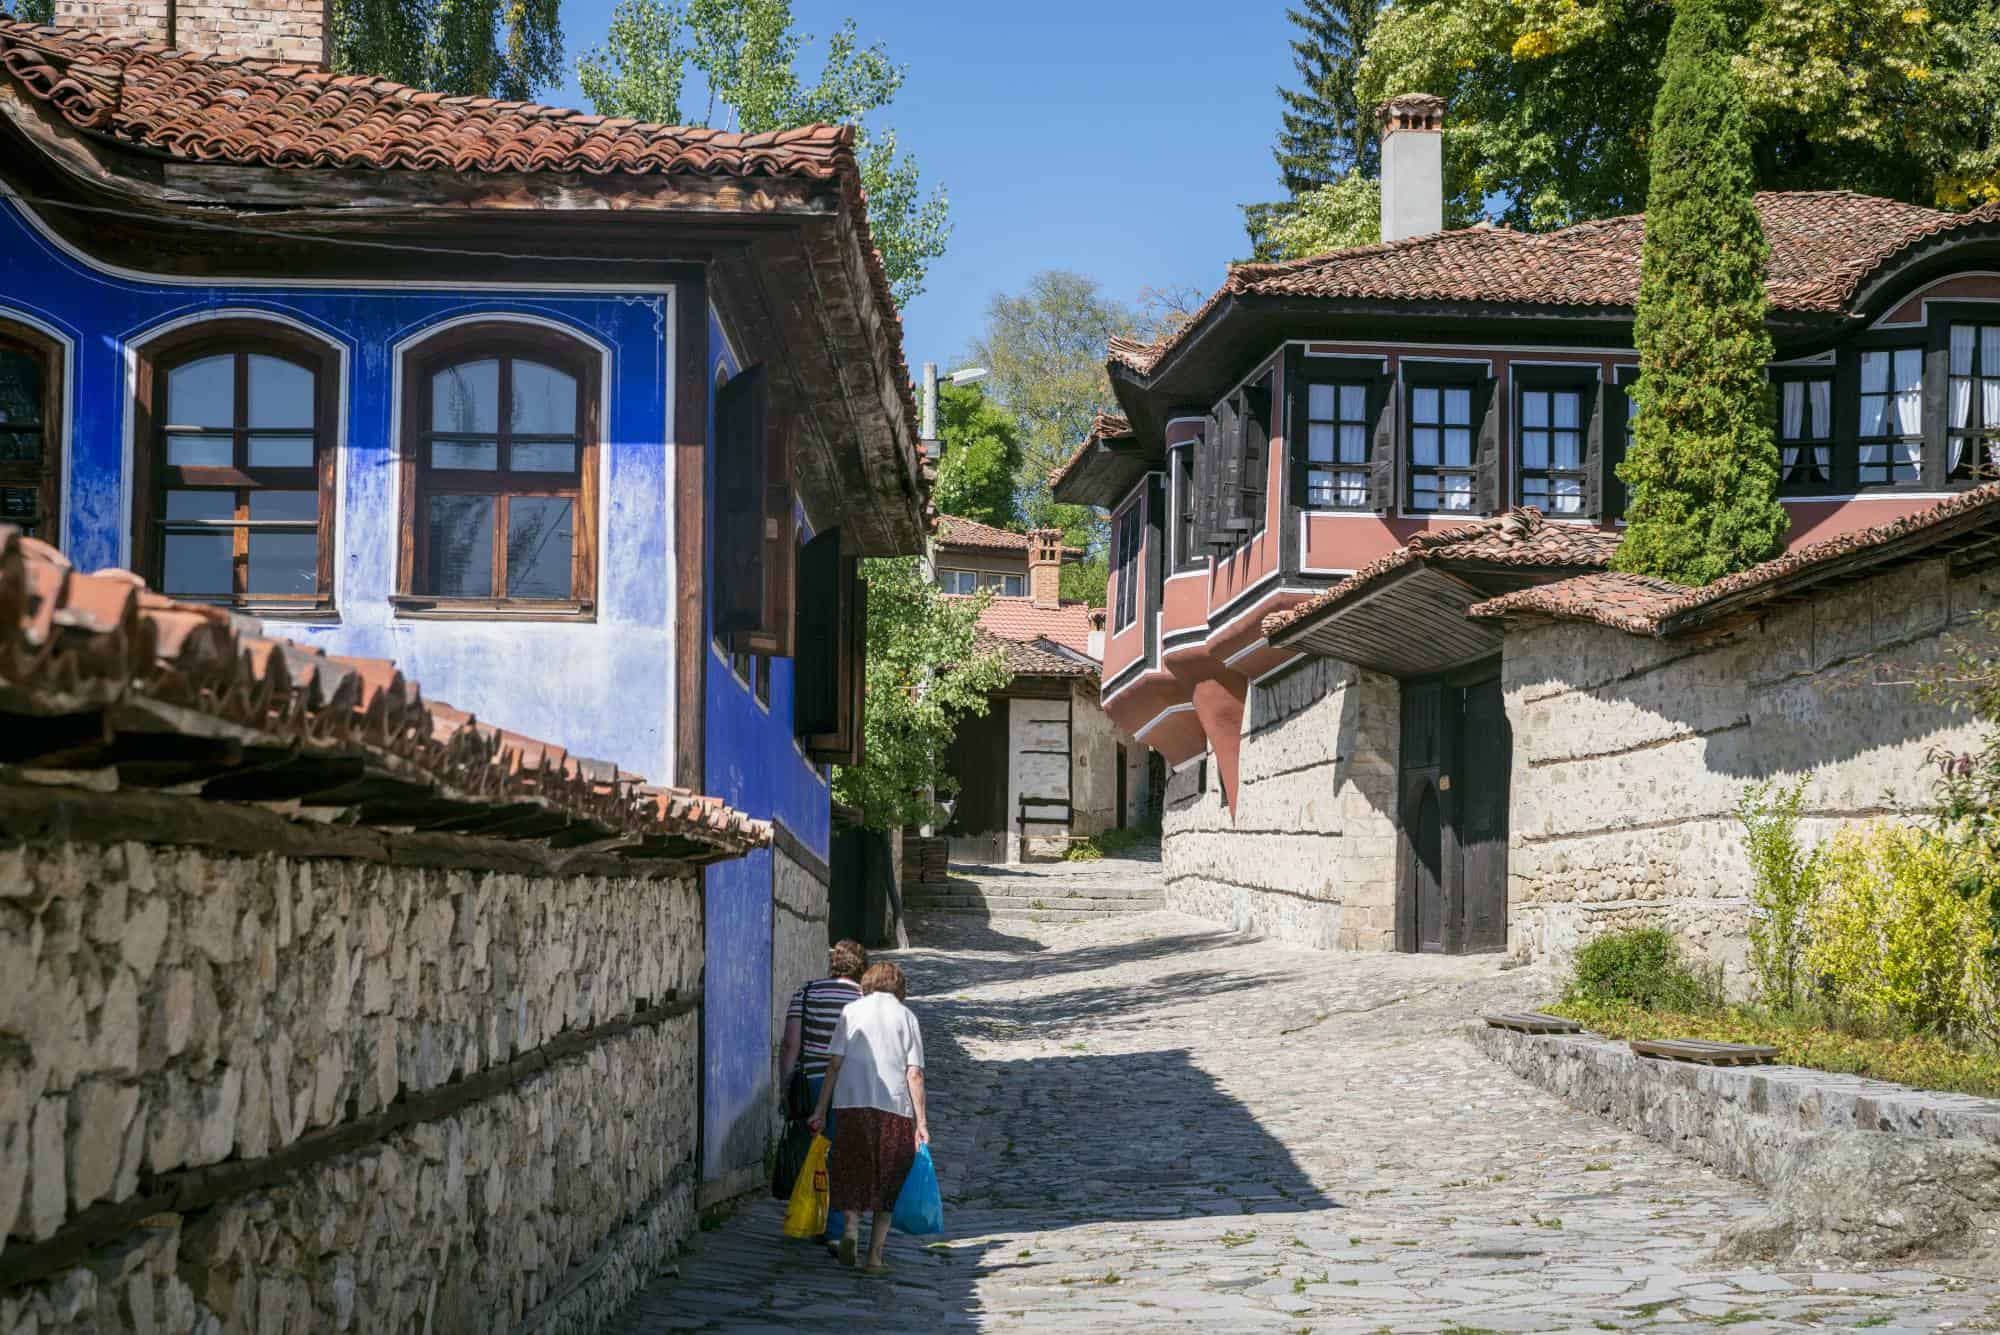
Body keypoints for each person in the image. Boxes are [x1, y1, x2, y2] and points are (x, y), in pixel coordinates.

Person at [808, 961, 927, 1276]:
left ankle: (849, 1228)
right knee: (888, 1179)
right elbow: (914, 1074)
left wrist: (820, 1109)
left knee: (850, 1168)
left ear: (869, 982)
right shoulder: (907, 1017)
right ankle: (874, 1258)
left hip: (850, 1105)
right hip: (894, 1109)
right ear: (899, 986)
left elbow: (834, 1064)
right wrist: (922, 1123)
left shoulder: (851, 1011)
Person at [779, 940, 867, 1253]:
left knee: (814, 1151)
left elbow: (791, 1044)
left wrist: (785, 1084)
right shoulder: (863, 998)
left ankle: (808, 1216)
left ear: (833, 963)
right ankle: (833, 1229)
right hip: (851, 1086)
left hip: (813, 1081)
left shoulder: (806, 992)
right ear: (861, 966)